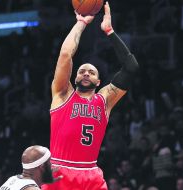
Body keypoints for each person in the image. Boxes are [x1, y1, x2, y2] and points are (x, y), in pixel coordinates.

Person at [42, 1, 139, 190]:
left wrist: (109, 31)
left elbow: (131, 67)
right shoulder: (62, 94)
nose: (86, 73)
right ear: (75, 77)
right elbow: (65, 55)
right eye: (82, 71)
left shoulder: (105, 100)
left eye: (91, 72)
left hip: (91, 174)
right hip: (60, 171)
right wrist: (81, 23)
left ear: (98, 82)